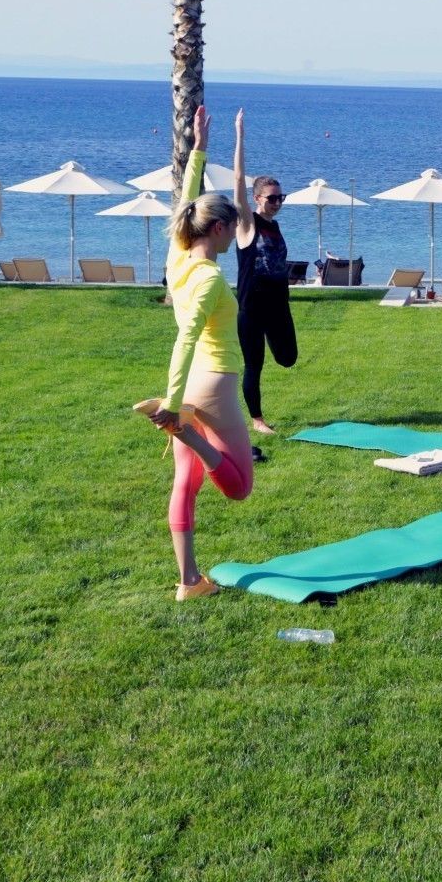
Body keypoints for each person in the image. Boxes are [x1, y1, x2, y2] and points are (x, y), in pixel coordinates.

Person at [134, 104, 255, 601]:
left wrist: (200, 149)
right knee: (239, 486)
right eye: (233, 227)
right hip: (215, 384)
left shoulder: (178, 257)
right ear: (220, 229)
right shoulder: (207, 276)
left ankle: (189, 582)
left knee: (185, 482)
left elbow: (186, 201)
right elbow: (186, 338)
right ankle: (187, 431)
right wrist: (172, 405)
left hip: (190, 387)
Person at [232, 117, 294, 437]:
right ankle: (257, 420)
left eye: (280, 197)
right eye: (272, 198)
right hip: (252, 309)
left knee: (288, 358)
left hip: (278, 306)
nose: (277, 203)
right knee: (253, 365)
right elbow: (240, 177)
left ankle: (274, 343)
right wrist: (240, 135)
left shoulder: (276, 226)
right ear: (257, 199)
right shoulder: (247, 224)